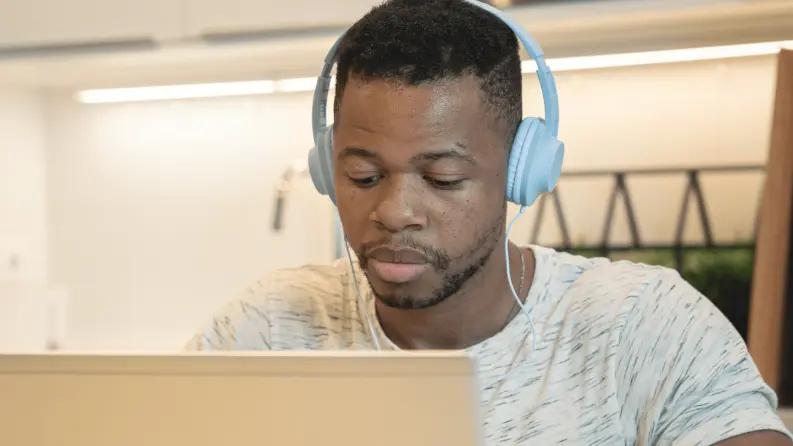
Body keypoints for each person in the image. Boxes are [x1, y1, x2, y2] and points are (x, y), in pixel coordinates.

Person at [187, 0, 793, 444]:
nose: (396, 212)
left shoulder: (642, 325)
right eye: (364, 177)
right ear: (326, 169)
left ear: (520, 172)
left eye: (444, 179)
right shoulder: (269, 325)